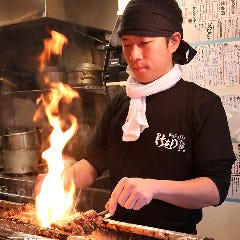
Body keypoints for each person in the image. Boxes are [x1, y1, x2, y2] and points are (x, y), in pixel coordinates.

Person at [35, 0, 236, 234]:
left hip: (171, 235)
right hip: (116, 231)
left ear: (174, 42)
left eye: (144, 43)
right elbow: (92, 164)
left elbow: (215, 189)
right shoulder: (121, 102)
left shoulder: (202, 104)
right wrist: (61, 180)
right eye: (127, 45)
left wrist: (154, 188)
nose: (134, 55)